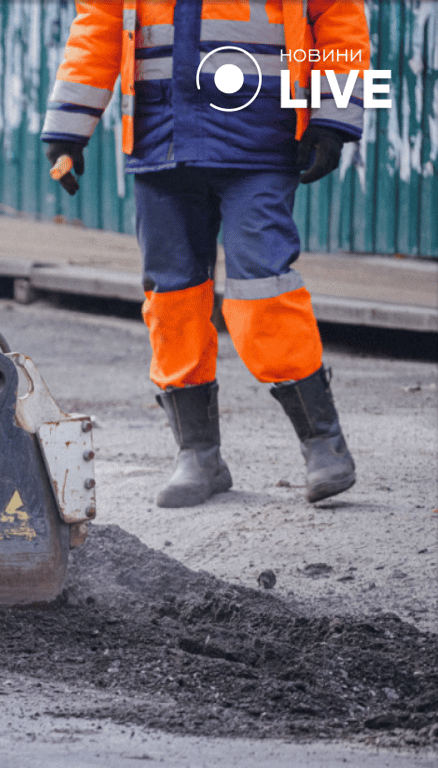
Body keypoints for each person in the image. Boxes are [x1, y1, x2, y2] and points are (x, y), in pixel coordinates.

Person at [41, 0, 367, 506]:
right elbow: (99, 24)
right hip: (160, 143)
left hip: (261, 139)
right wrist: (68, 126)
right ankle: (198, 454)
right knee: (171, 296)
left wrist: (335, 117)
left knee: (264, 287)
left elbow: (340, 17)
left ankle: (323, 443)